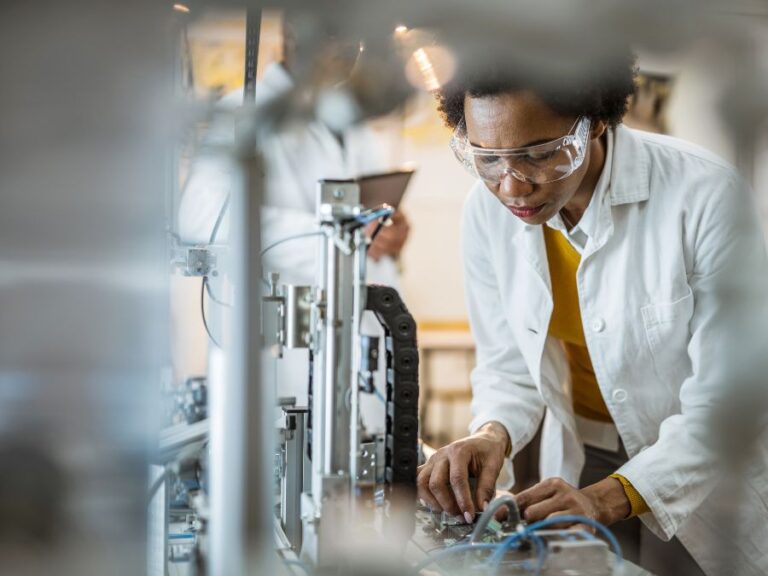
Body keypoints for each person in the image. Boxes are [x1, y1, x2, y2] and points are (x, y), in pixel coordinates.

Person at [416, 54, 768, 575]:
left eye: (538, 155)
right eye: (486, 158)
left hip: (703, 469)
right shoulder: (485, 211)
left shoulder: (705, 195)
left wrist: (606, 499)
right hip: (586, 452)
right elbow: (510, 368)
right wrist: (492, 433)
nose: (511, 186)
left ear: (597, 122)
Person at [178, 19, 410, 426]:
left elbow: (373, 214)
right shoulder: (242, 114)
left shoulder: (348, 120)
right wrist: (343, 237)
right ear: (295, 35)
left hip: (364, 339)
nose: (353, 55)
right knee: (290, 466)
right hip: (284, 350)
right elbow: (200, 217)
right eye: (342, 40)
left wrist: (391, 231)